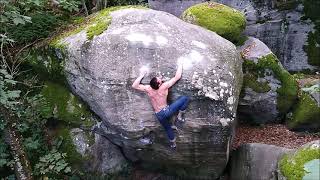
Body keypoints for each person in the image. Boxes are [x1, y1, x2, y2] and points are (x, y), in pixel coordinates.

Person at [132, 62, 189, 149]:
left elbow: (134, 85)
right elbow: (177, 77)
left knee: (167, 128)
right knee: (185, 98)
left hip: (158, 114)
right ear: (159, 84)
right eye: (160, 80)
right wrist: (180, 64)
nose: (161, 79)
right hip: (166, 111)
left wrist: (141, 75)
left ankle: (173, 145)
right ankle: (180, 115)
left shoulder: (148, 88)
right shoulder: (164, 86)